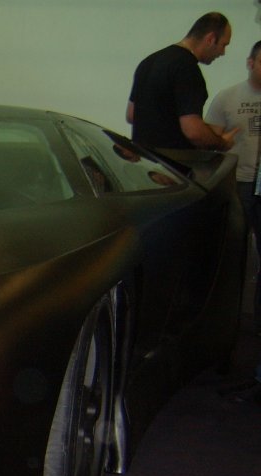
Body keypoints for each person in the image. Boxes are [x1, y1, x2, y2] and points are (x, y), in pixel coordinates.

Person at [206, 41, 261, 334]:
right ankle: (226, 322)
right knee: (231, 254)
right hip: (237, 183)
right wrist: (221, 142)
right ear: (250, 63)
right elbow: (208, 144)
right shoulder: (227, 98)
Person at [127, 12, 239, 151]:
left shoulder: (148, 62)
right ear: (210, 39)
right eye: (223, 45)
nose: (223, 53)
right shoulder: (187, 69)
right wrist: (221, 143)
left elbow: (131, 115)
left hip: (142, 160)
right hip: (171, 162)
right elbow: (193, 132)